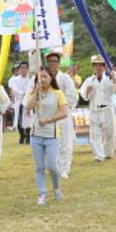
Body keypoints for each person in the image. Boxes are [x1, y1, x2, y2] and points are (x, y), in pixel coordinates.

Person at [26, 65, 68, 205]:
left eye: (45, 76)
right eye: (40, 77)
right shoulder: (34, 92)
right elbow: (28, 107)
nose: (42, 79)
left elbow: (64, 112)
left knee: (52, 166)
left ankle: (57, 187)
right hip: (36, 135)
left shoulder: (57, 93)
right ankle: (42, 193)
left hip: (52, 135)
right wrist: (36, 92)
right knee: (39, 166)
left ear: (51, 78)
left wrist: (49, 120)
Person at [80, 55, 116, 162]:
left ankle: (108, 153)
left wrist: (115, 79)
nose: (99, 68)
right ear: (94, 67)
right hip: (94, 109)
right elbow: (83, 94)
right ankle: (98, 155)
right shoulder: (89, 80)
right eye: (96, 65)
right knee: (95, 134)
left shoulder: (110, 78)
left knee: (109, 133)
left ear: (104, 67)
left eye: (101, 65)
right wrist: (87, 91)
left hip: (107, 109)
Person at [45, 52, 78, 178]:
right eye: (50, 61)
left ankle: (64, 169)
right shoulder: (43, 77)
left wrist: (60, 105)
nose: (52, 64)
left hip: (63, 114)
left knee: (66, 143)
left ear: (58, 63)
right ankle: (55, 168)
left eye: (55, 61)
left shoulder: (65, 78)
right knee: (52, 143)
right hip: (49, 117)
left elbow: (72, 97)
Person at [8, 62, 32, 145]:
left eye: (25, 67)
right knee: (19, 120)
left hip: (29, 101)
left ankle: (28, 136)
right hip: (19, 102)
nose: (23, 69)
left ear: (28, 69)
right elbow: (14, 90)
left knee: (28, 120)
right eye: (22, 68)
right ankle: (21, 135)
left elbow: (32, 88)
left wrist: (28, 95)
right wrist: (22, 94)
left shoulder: (30, 78)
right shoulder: (15, 79)